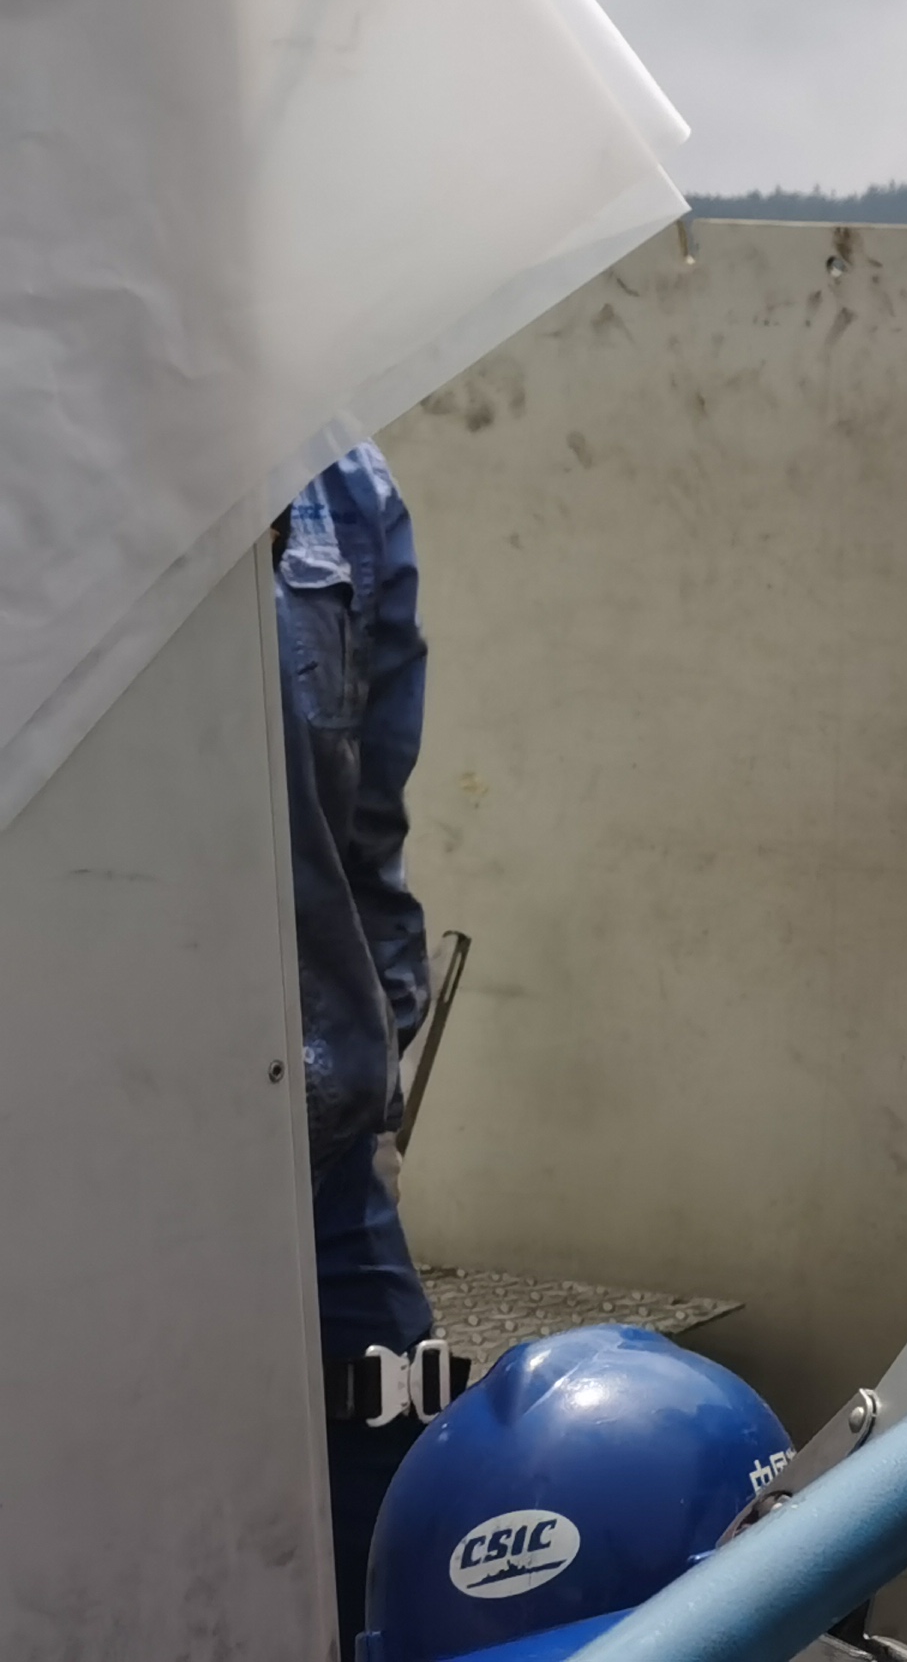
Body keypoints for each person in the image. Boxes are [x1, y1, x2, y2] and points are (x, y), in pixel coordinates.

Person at [278, 439, 458, 1649]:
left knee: (397, 1516)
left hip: (320, 1140)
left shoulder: (342, 488)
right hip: (82, 1144)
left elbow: (367, 839)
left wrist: (377, 1084)